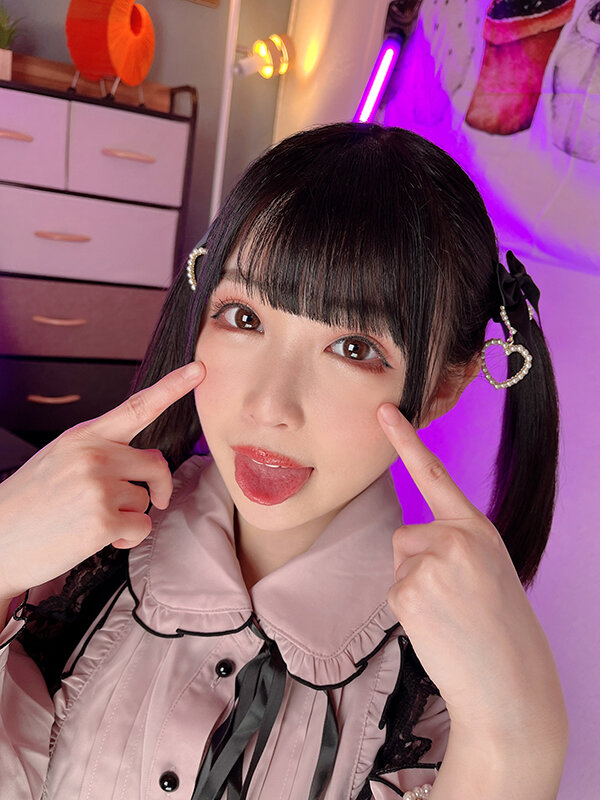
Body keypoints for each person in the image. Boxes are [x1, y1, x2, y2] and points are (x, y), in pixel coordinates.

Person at [0, 122, 568, 800]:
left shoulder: (442, 685)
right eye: (243, 317)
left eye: (355, 349)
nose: (270, 406)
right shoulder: (71, 554)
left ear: (446, 385)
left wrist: (519, 743)